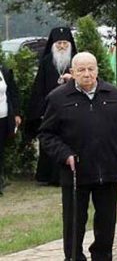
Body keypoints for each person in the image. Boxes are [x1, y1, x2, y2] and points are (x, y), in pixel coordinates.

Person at [39, 52, 117, 261]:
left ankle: (102, 256)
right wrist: (64, 154)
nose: (87, 74)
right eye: (81, 69)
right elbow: (46, 135)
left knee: (106, 222)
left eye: (91, 69)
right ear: (72, 72)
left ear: (97, 70)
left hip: (108, 169)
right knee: (74, 223)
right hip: (76, 172)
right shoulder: (58, 98)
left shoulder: (114, 95)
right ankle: (74, 257)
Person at [28, 26, 78, 185]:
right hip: (51, 109)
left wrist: (74, 78)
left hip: (73, 108)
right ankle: (48, 176)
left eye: (65, 43)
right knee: (50, 141)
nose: (62, 47)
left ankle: (71, 174)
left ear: (70, 44)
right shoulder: (46, 62)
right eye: (59, 44)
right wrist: (40, 110)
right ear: (53, 45)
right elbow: (38, 89)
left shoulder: (77, 61)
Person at [0, 64, 21, 196]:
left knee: (0, 151)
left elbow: (13, 93)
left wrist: (17, 114)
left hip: (3, 117)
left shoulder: (5, 71)